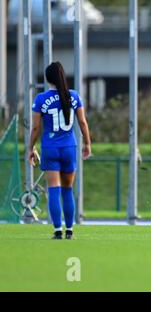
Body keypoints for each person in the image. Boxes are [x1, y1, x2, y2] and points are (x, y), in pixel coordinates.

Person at [28, 62, 91, 240]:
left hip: (50, 148)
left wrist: (30, 147)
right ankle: (69, 230)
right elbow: (83, 122)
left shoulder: (41, 99)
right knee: (67, 190)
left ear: (48, 79)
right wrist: (87, 143)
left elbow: (35, 128)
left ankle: (57, 231)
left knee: (54, 190)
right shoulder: (74, 96)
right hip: (69, 148)